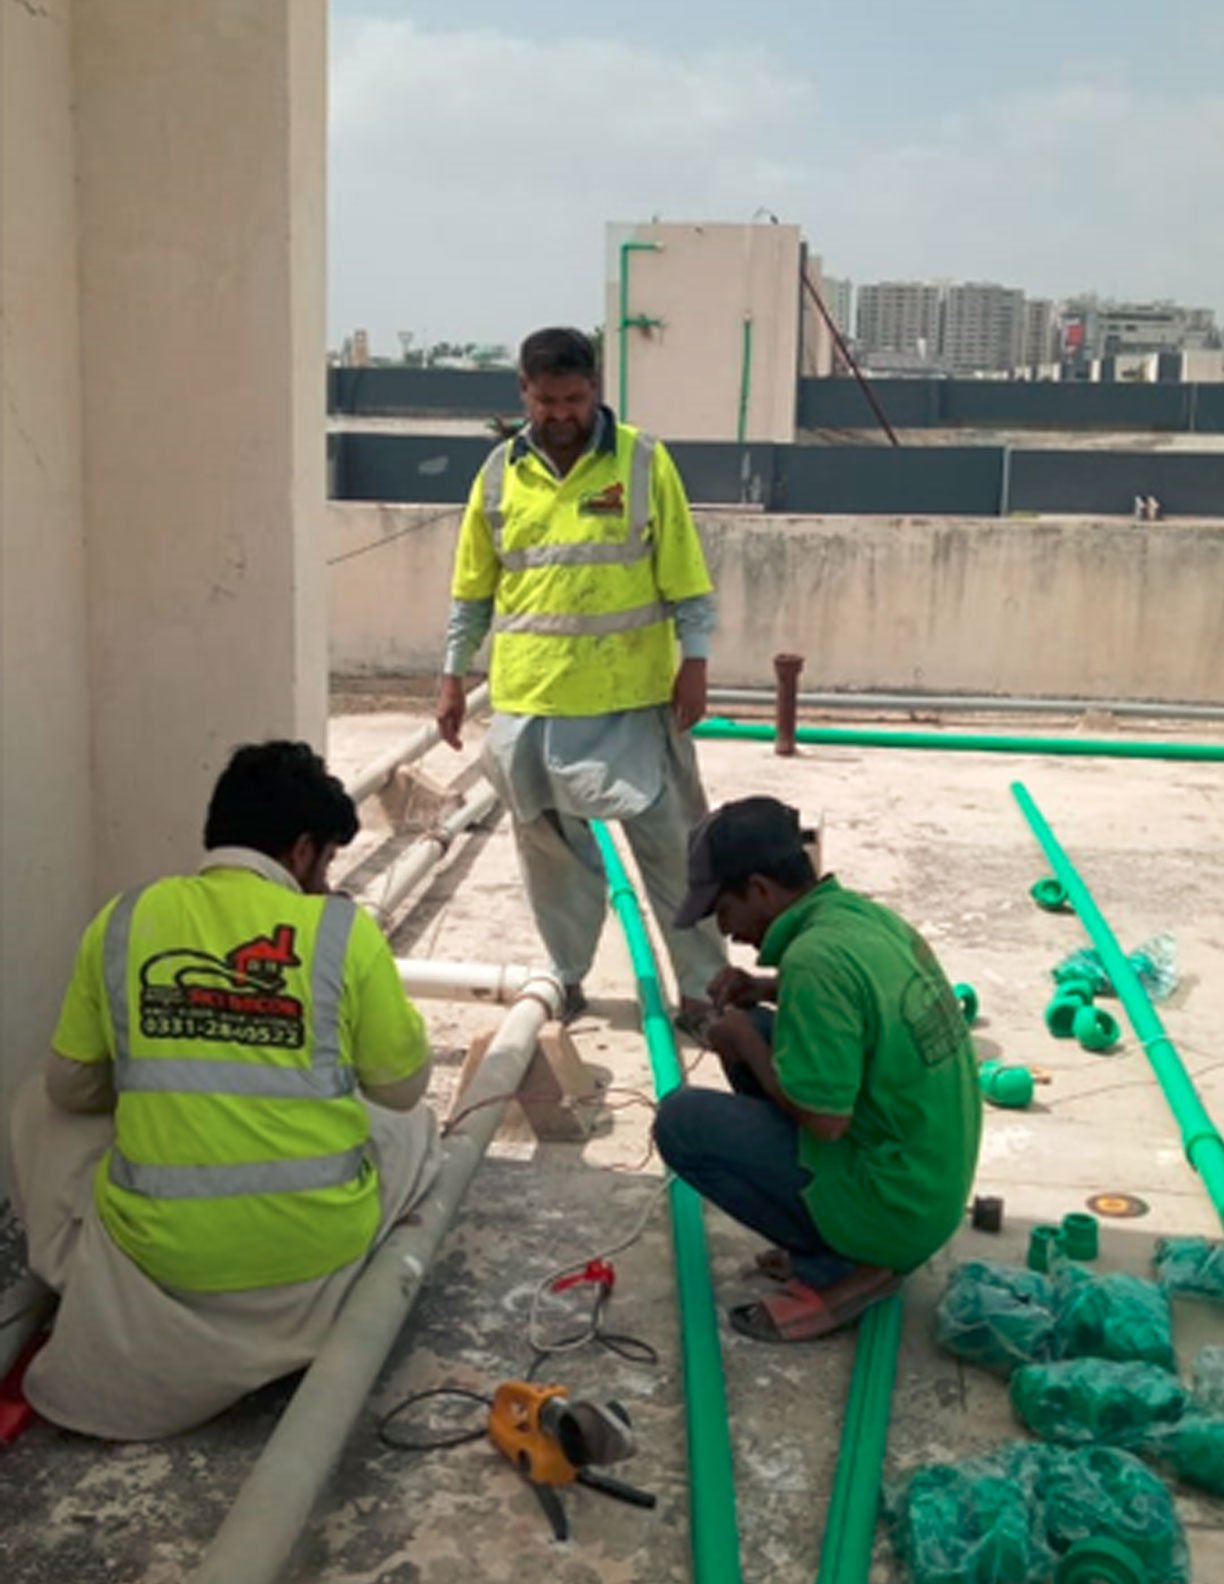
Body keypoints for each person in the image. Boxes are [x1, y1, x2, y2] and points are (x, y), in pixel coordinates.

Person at [8, 741, 441, 1438]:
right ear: (303, 850)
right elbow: (400, 1088)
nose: (326, 881)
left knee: (38, 1103)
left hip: (160, 1253)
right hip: (313, 1252)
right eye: (327, 861)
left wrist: (167, 1078)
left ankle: (79, 1278)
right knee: (414, 1125)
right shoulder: (339, 931)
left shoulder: (124, 919)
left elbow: (71, 1088)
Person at [435, 326, 726, 1030]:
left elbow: (686, 575)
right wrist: (451, 675)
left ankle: (703, 989)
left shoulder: (642, 461)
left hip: (633, 700)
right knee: (551, 857)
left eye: (573, 398)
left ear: (595, 389)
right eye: (547, 401)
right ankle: (564, 977)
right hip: (532, 704)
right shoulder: (498, 476)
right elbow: (472, 592)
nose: (561, 414)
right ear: (524, 395)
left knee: (673, 849)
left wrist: (694, 662)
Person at [655, 796, 982, 1343]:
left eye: (724, 910)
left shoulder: (814, 960)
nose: (726, 930)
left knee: (681, 1121)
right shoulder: (858, 918)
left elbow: (825, 1121)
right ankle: (842, 1236)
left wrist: (743, 1043)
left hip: (896, 1211)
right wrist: (763, 989)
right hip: (928, 1186)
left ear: (760, 889)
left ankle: (841, 1262)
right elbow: (859, 999)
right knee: (756, 1026)